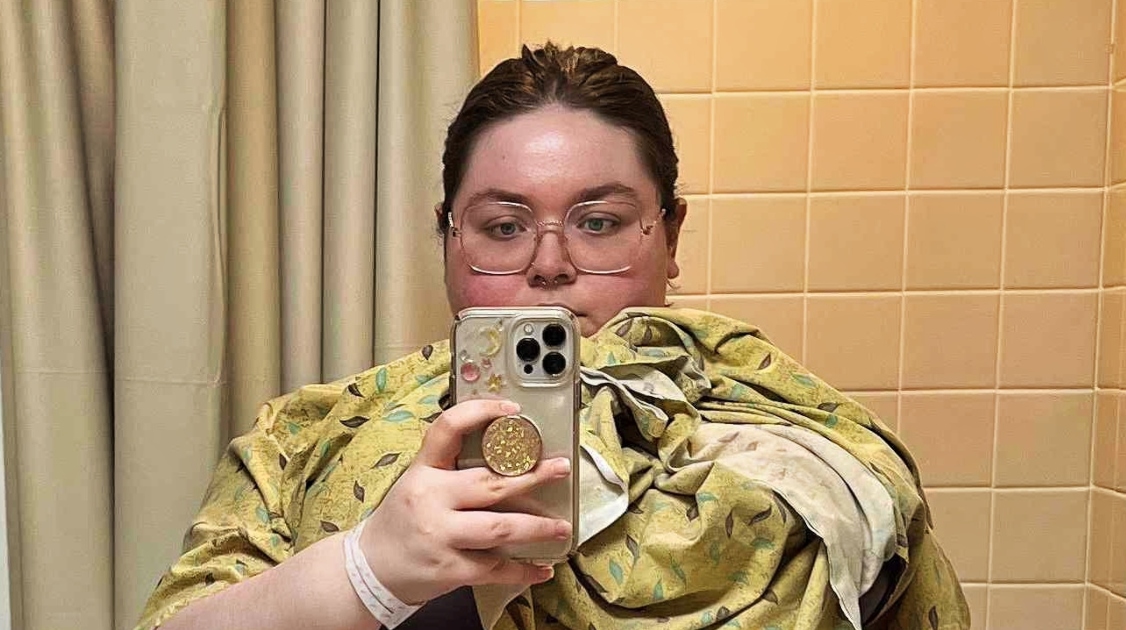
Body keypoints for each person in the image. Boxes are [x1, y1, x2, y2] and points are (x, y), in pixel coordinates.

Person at [136, 43, 969, 630]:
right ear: (448, 239)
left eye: (598, 222)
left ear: (670, 234)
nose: (550, 264)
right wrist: (365, 571)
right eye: (504, 227)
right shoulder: (306, 436)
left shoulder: (805, 440)